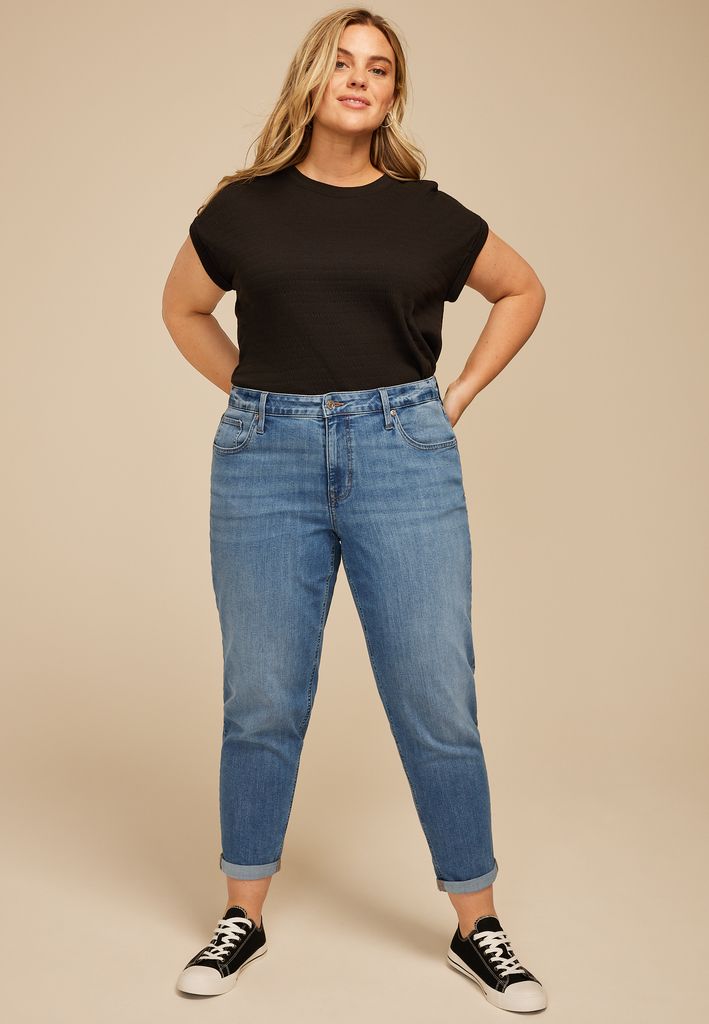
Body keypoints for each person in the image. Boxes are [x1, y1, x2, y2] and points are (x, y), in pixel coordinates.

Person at [162, 6, 547, 1013]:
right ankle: (241, 915)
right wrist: (253, 393)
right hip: (265, 462)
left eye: (379, 67)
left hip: (401, 456)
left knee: (435, 694)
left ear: (392, 94)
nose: (359, 77)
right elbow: (182, 309)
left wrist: (454, 396)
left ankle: (478, 925)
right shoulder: (241, 209)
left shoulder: (427, 214)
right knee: (262, 694)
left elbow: (521, 290)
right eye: (343, 61)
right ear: (312, 76)